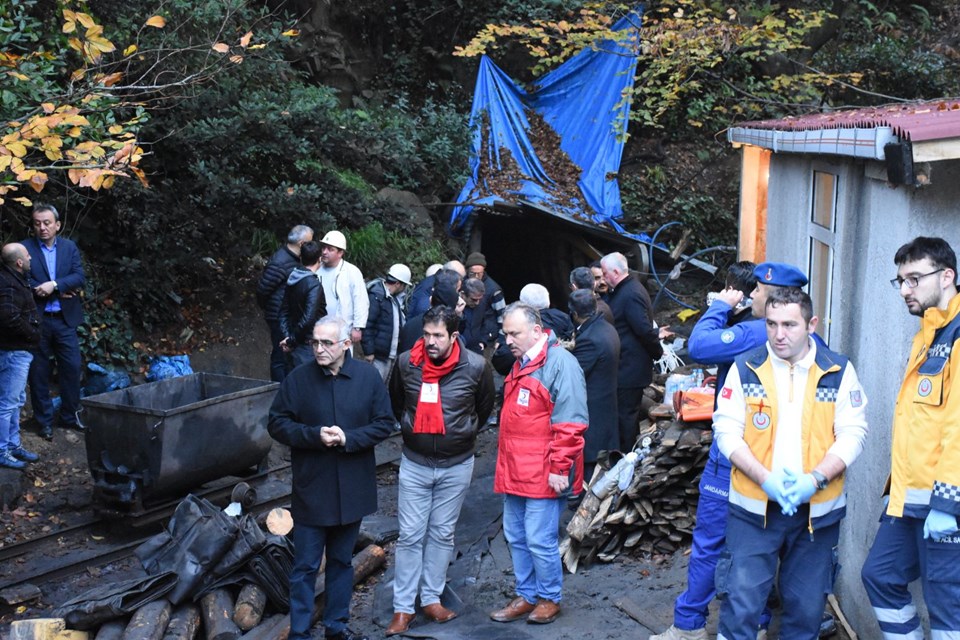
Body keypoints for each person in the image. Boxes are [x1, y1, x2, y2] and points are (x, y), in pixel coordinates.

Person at [713, 288, 868, 640]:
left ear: (811, 324)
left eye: (789, 324)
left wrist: (814, 479)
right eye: (771, 324)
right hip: (754, 510)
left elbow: (853, 433)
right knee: (740, 605)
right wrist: (764, 478)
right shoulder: (747, 367)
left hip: (815, 514)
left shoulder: (837, 371)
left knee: (806, 611)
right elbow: (726, 431)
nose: (779, 334)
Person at [268, 316, 394, 640]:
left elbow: (384, 423)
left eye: (327, 343)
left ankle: (336, 627)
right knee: (306, 566)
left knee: (341, 561)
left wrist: (348, 438)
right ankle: (299, 632)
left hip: (352, 486)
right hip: (313, 486)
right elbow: (277, 423)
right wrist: (312, 435)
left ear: (346, 344)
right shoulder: (298, 379)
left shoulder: (367, 377)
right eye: (315, 342)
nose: (319, 349)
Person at [862, 236, 960, 639]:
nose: (905, 290)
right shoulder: (928, 335)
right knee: (880, 575)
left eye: (915, 279)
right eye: (900, 280)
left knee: (947, 611)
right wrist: (897, 490)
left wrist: (948, 504)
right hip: (910, 501)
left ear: (947, 275)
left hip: (944, 503)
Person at [385, 306, 495, 636]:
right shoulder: (407, 363)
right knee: (410, 535)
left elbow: (484, 408)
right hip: (416, 462)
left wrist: (461, 433)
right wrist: (411, 429)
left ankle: (431, 598)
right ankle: (403, 608)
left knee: (442, 532)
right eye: (426, 335)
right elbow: (397, 402)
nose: (430, 342)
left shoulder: (476, 367)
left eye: (438, 336)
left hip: (457, 464)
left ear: (454, 337)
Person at [489, 303, 588, 625]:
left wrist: (560, 468)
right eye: (505, 333)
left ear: (536, 331)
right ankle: (528, 594)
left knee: (539, 538)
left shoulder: (561, 364)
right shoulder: (523, 363)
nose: (508, 341)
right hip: (516, 469)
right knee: (515, 535)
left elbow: (571, 422)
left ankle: (548, 597)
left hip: (543, 472)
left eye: (514, 333)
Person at [24, 204, 85, 439]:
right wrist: (56, 289)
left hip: (64, 320)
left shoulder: (69, 248)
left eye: (47, 222)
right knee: (39, 372)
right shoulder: (24, 248)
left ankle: (69, 417)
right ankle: (44, 422)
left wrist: (55, 285)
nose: (42, 227)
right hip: (36, 321)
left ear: (57, 225)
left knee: (71, 368)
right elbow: (19, 280)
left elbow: (79, 277)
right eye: (37, 223)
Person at [601, 252, 668, 451]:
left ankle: (627, 457)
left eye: (605, 273)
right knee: (624, 415)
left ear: (615, 271)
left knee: (626, 416)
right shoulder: (622, 290)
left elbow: (644, 329)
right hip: (624, 364)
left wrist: (657, 352)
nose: (603, 278)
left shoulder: (630, 293)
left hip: (630, 367)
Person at [568, 289, 619, 484]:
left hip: (593, 408)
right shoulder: (606, 327)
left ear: (573, 313)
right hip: (606, 401)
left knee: (590, 466)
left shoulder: (589, 339)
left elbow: (574, 375)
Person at [0, 243, 41, 469]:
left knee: (15, 402)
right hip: (13, 353)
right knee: (7, 403)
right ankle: (2, 450)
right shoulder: (9, 285)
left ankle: (13, 445)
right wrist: (32, 333)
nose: (30, 259)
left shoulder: (13, 280)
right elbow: (8, 317)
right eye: (27, 256)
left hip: (18, 351)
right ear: (19, 262)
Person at [257, 225, 314, 382]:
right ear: (301, 243)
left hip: (285, 315)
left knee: (287, 355)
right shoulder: (280, 261)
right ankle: (278, 392)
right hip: (278, 316)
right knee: (280, 356)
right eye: (309, 243)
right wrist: (272, 310)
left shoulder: (293, 259)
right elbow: (262, 290)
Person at [278, 241, 326, 372]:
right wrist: (291, 341)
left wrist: (287, 337)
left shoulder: (292, 278)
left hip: (293, 344)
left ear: (300, 258)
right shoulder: (314, 285)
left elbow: (283, 312)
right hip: (307, 346)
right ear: (319, 259)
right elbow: (308, 318)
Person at [317, 230, 368, 345]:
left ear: (340, 253)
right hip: (319, 327)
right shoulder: (317, 267)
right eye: (324, 248)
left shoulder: (351, 272)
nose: (325, 252)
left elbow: (360, 300)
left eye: (330, 249)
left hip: (342, 329)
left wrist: (358, 327)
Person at [362, 264, 411, 382]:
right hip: (378, 356)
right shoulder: (377, 296)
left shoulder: (391, 298)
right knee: (373, 385)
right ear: (398, 284)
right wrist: (369, 352)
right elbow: (368, 325)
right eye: (404, 285)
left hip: (387, 354)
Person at [464, 252, 505, 330]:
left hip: (486, 335)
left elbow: (502, 316)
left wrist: (501, 339)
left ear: (483, 271)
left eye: (479, 274)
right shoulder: (461, 283)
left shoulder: (494, 290)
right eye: (472, 273)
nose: (476, 277)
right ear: (467, 271)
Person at [460, 277, 497, 355]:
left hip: (476, 350)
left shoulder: (481, 304)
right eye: (473, 299)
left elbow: (484, 322)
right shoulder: (453, 306)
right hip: (459, 350)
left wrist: (483, 341)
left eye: (479, 299)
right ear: (462, 294)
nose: (477, 303)